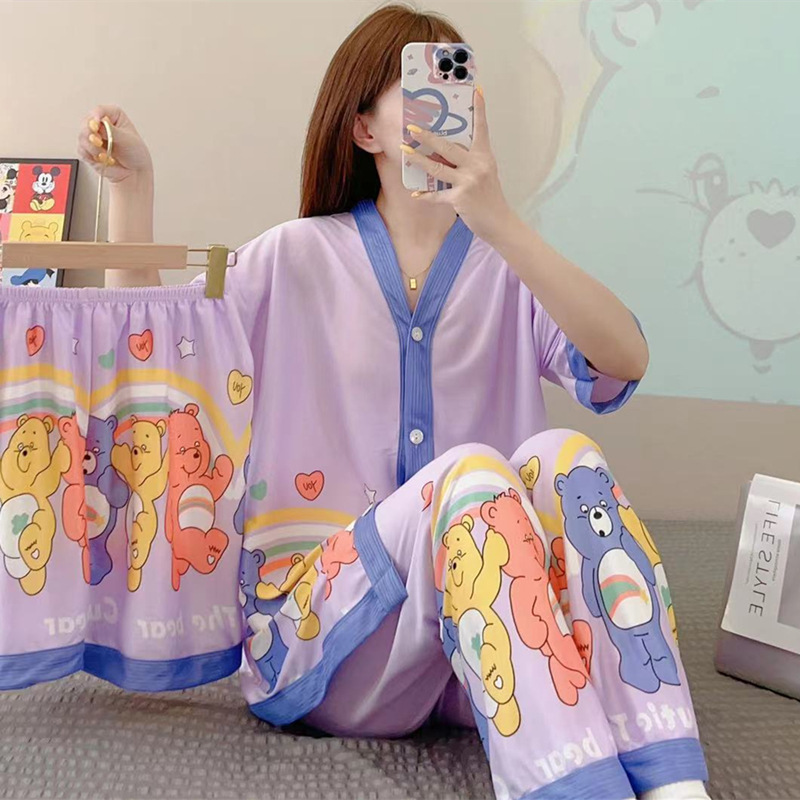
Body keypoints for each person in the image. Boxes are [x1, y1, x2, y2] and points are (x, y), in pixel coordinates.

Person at [77, 4, 710, 798]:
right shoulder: (293, 259)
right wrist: (132, 190)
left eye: (459, 87)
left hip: (487, 661)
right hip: (329, 644)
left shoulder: (507, 268)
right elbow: (154, 364)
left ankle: (673, 783)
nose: (447, 105)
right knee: (472, 475)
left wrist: (500, 221)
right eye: (421, 86)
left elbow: (623, 362)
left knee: (563, 457)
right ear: (364, 129)